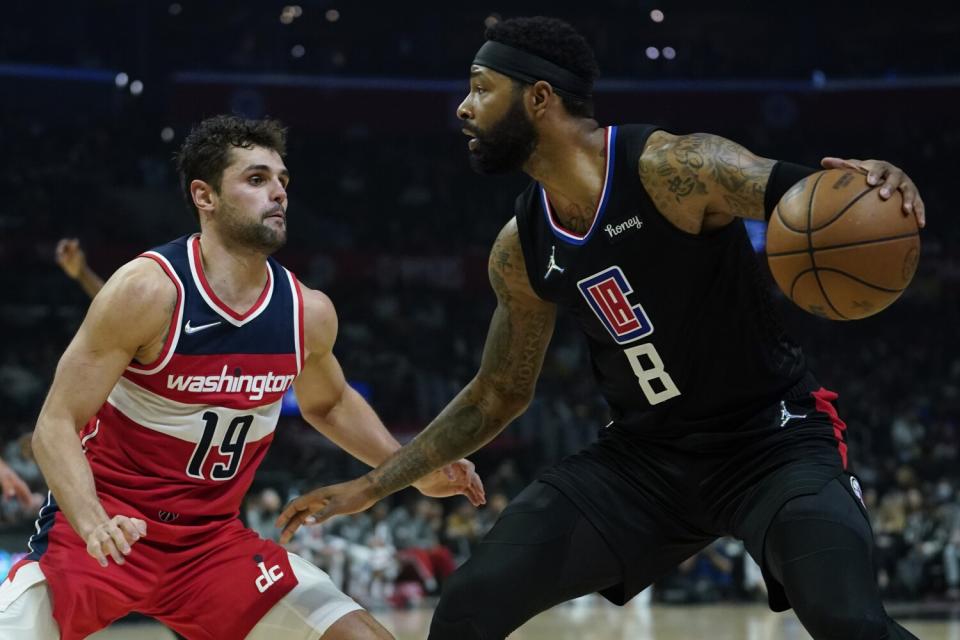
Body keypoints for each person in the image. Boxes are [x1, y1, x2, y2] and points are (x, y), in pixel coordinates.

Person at [276, 16, 926, 640]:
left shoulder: (674, 169)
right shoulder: (521, 245)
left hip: (771, 443)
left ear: (538, 97)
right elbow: (496, 394)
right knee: (467, 610)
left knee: (849, 623)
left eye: (480, 87)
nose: (463, 109)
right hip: (643, 464)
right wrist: (371, 484)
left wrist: (872, 186)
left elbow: (812, 201)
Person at [0, 114, 484, 640]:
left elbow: (330, 403)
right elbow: (55, 424)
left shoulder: (307, 311)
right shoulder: (148, 290)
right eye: (256, 180)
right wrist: (93, 523)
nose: (277, 193)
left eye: (282, 181)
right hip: (101, 533)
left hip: (209, 547)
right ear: (204, 197)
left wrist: (411, 468)